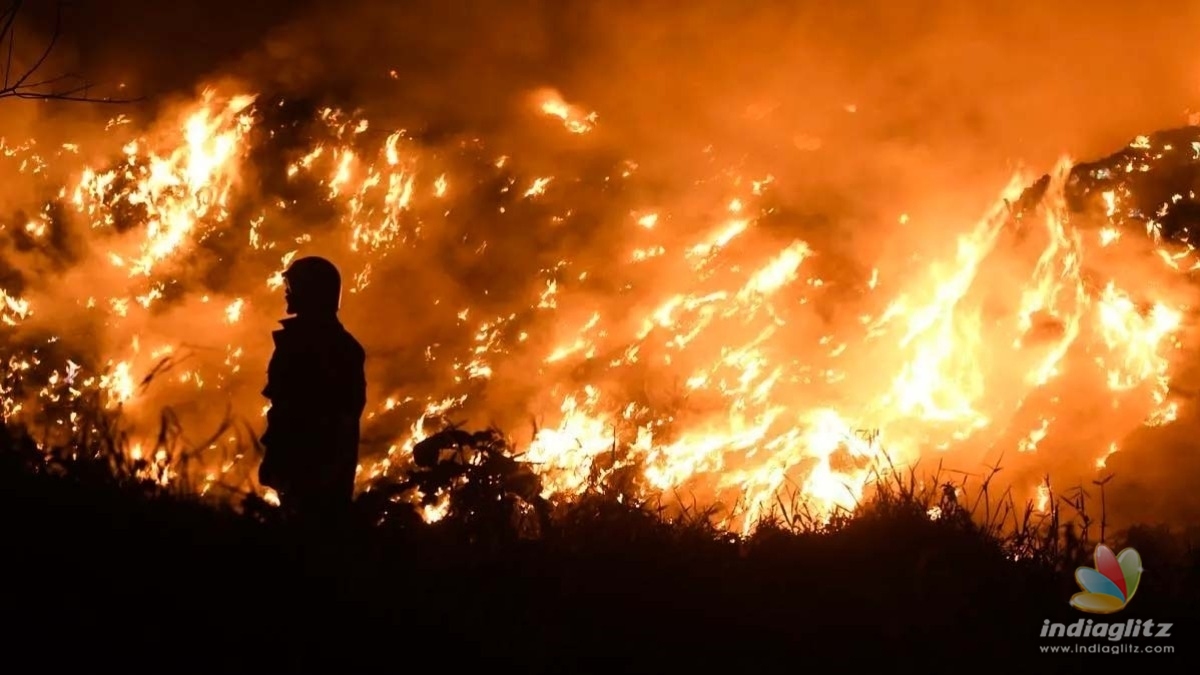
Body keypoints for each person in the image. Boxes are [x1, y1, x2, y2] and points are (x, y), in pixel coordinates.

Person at [258, 256, 367, 528]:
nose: (287, 292)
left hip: (313, 469)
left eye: (293, 286)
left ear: (311, 293)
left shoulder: (321, 347)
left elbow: (311, 413)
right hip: (306, 466)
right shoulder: (336, 345)